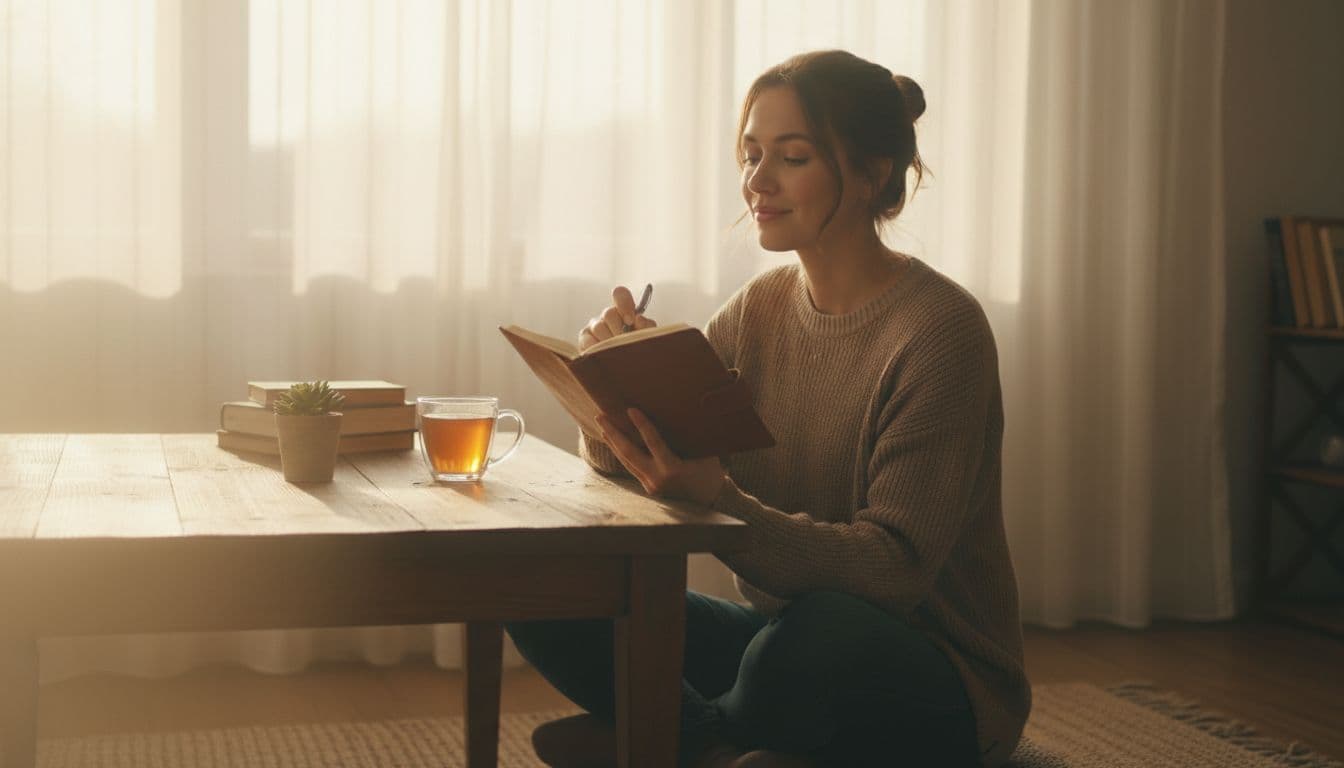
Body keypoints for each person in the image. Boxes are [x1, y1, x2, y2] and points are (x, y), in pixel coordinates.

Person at [505, 49, 1030, 768]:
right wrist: (613, 387)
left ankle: (674, 742)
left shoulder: (941, 333)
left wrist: (722, 503)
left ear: (874, 172)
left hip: (929, 676)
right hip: (779, 643)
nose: (757, 180)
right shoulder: (761, 309)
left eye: (792, 157)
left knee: (821, 632)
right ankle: (709, 748)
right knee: (541, 586)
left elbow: (894, 573)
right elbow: (641, 469)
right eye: (752, 154)